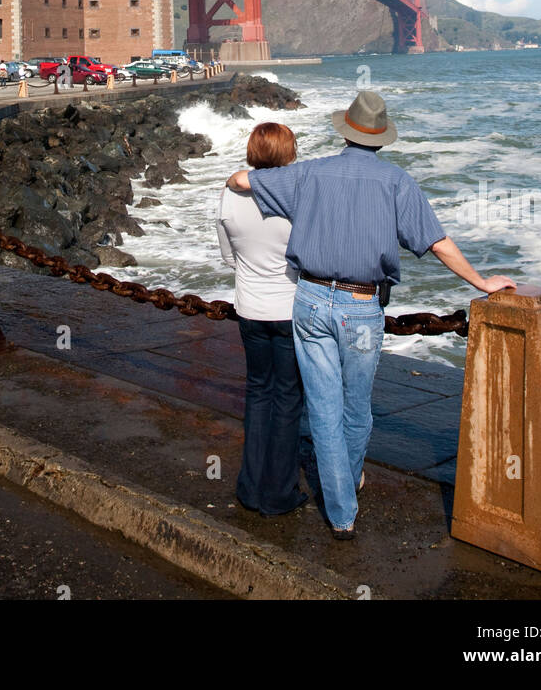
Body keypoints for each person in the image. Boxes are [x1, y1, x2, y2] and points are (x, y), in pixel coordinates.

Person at [226, 88, 515, 540]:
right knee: (356, 408)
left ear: (345, 132)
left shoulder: (310, 174)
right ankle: (348, 483)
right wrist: (481, 282)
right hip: (361, 307)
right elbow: (436, 242)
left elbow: (243, 181)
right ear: (382, 139)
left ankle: (341, 512)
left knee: (322, 407)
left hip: (309, 301)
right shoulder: (397, 182)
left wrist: (233, 178)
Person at [217, 122, 308, 517]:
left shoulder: (229, 194)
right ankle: (279, 493)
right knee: (288, 400)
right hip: (289, 311)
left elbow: (226, 254)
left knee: (258, 395)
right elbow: (309, 255)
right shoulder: (297, 197)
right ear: (288, 154)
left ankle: (250, 487)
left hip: (249, 310)